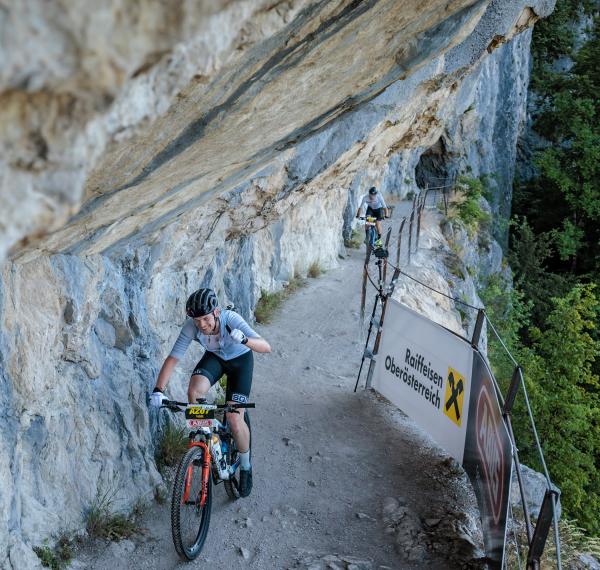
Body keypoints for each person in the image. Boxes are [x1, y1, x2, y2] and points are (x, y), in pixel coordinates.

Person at [150, 288, 271, 497]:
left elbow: (265, 347)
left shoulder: (231, 319)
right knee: (194, 392)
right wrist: (158, 390)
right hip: (215, 358)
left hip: (241, 361)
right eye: (197, 321)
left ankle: (245, 466)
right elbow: (173, 358)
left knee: (234, 419)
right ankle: (207, 441)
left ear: (216, 312)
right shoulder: (192, 326)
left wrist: (244, 340)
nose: (202, 325)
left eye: (205, 319)